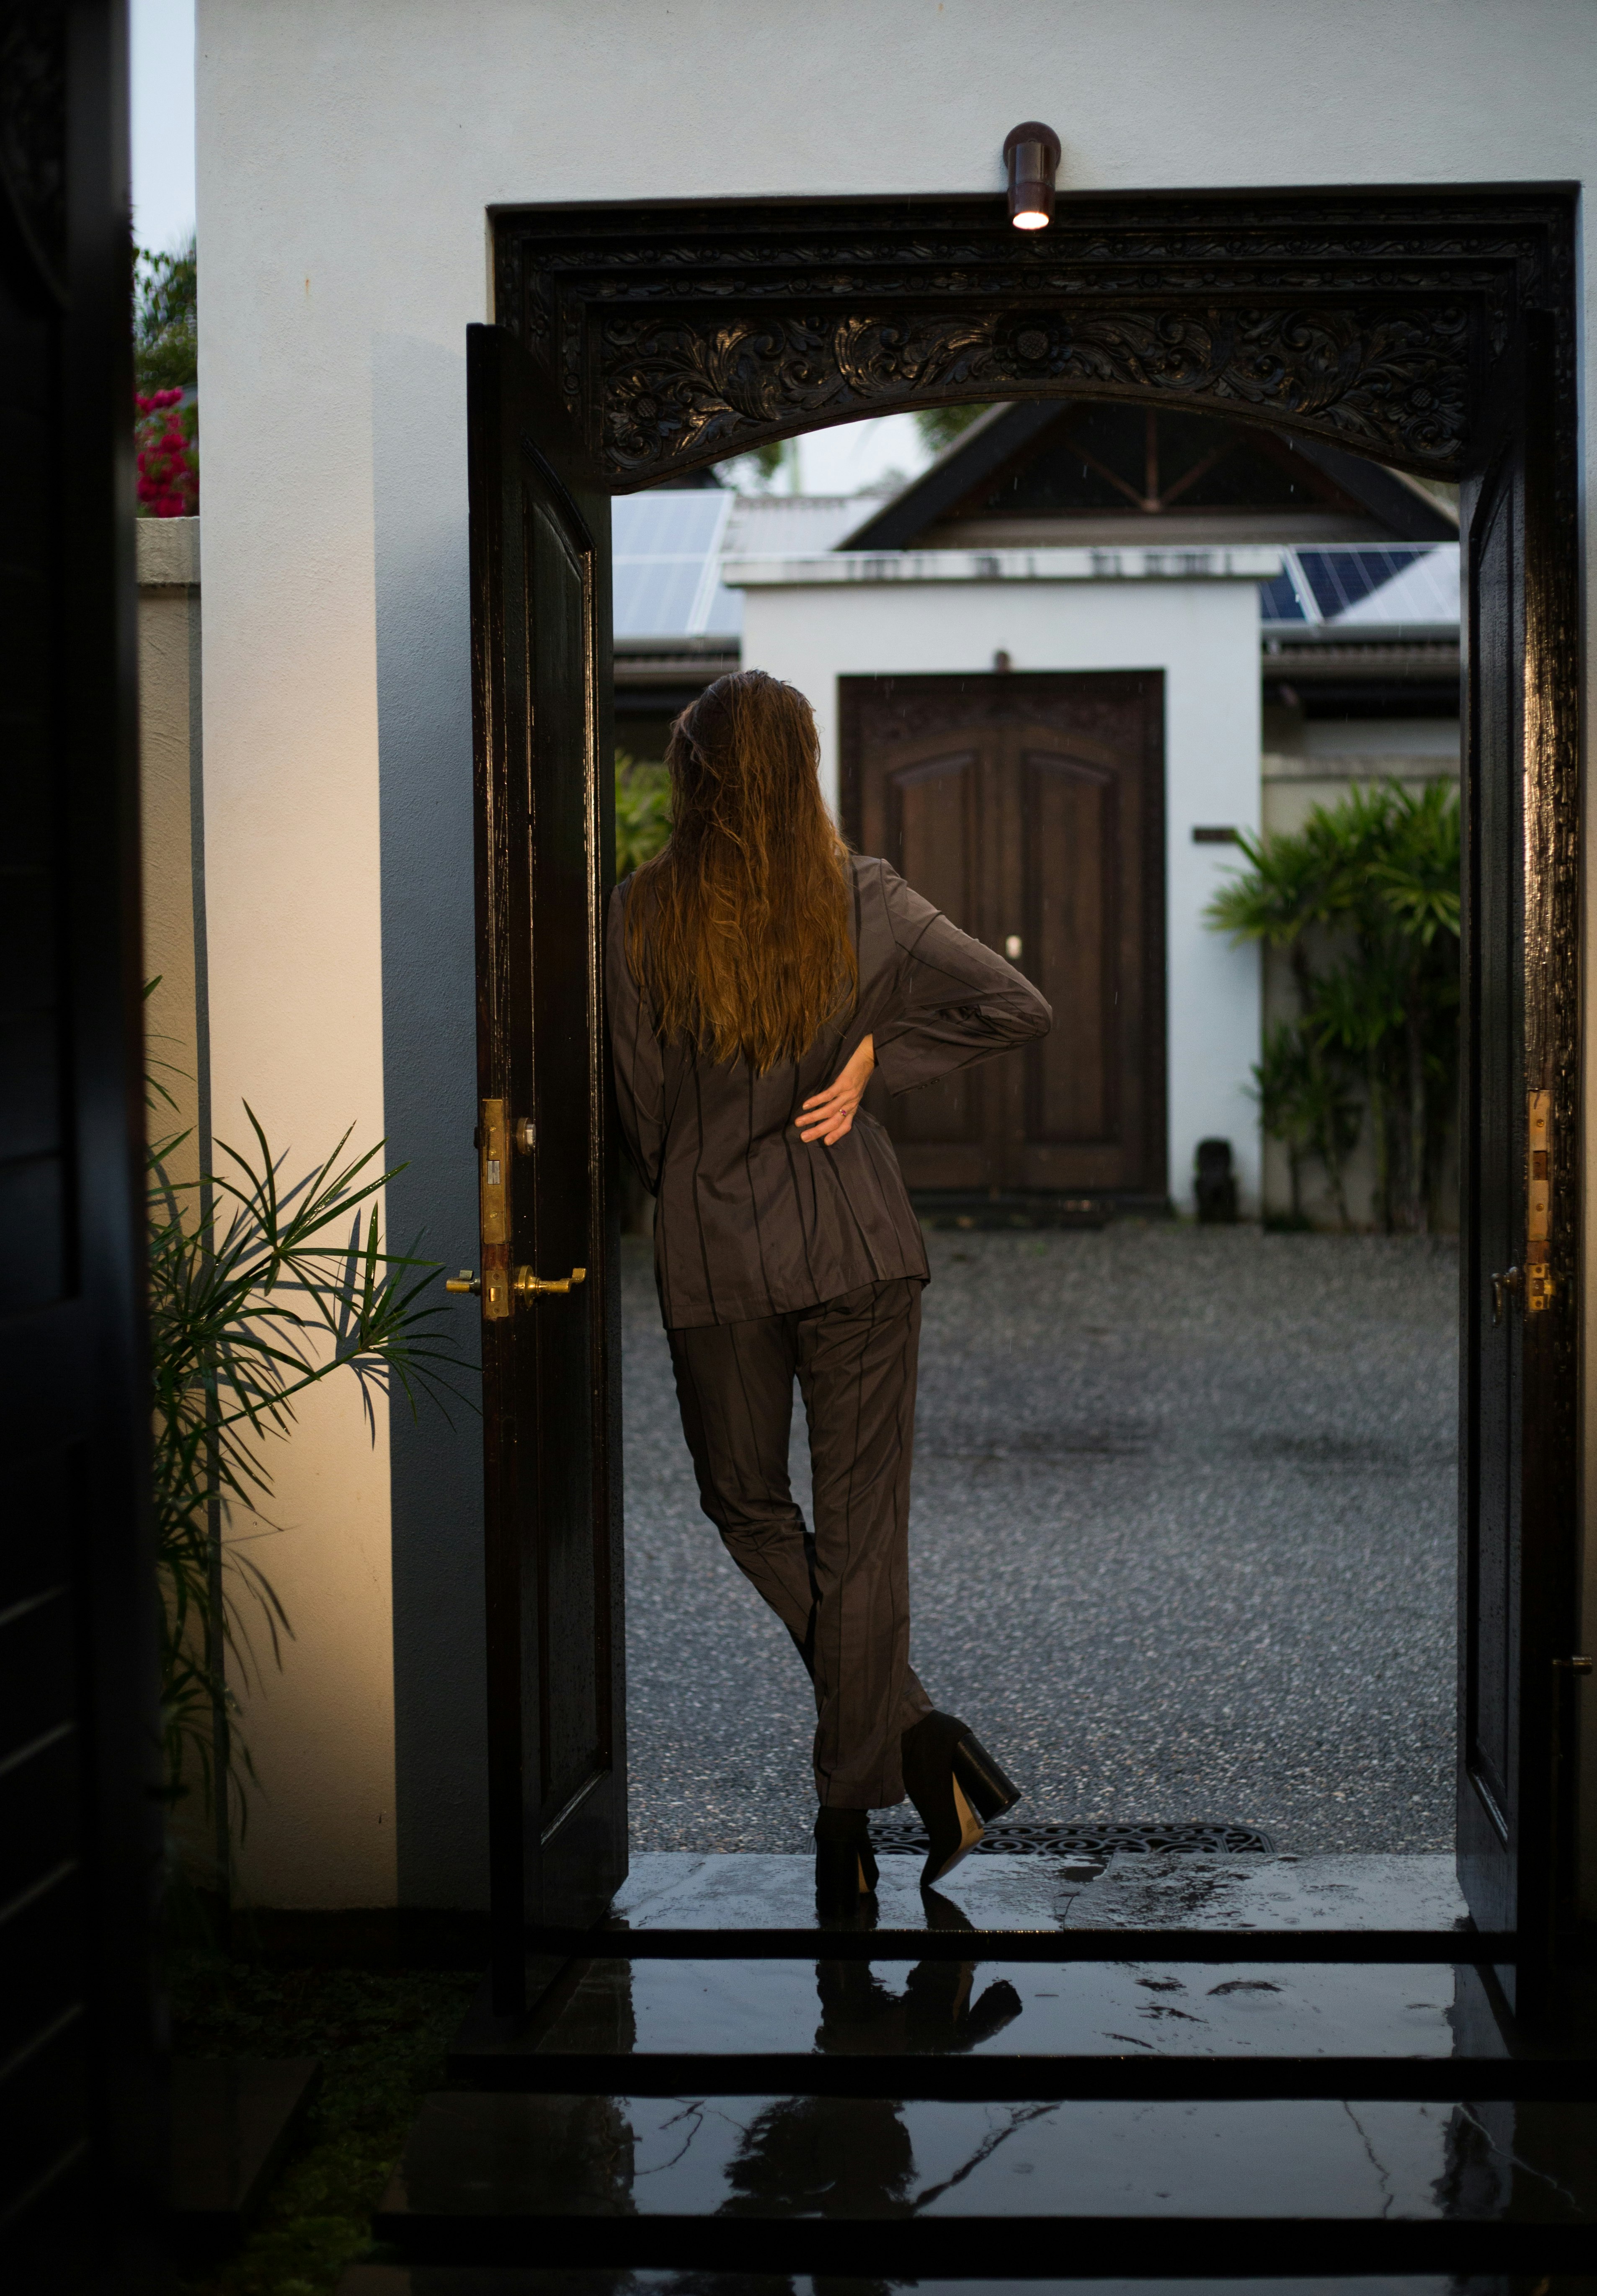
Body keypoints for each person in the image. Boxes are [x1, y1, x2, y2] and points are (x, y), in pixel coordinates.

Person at [606, 670, 1053, 1912]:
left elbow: (644, 1118)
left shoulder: (637, 915)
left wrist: (717, 1167)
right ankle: (893, 1765)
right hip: (858, 1248)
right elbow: (1017, 1004)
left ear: (693, 777)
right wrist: (877, 1058)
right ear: (802, 770)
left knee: (745, 1501)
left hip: (718, 1260)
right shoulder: (870, 899)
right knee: (863, 1543)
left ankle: (875, 1793)